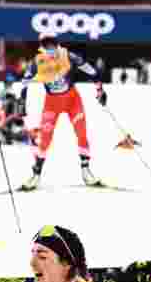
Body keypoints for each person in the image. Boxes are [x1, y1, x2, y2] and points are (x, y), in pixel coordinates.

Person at [20, 33, 106, 191]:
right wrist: (22, 101)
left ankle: (86, 170)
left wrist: (100, 89)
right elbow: (25, 82)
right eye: (46, 45)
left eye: (52, 44)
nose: (49, 48)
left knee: (81, 132)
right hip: (52, 103)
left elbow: (89, 70)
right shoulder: (37, 61)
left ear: (57, 44)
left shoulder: (67, 55)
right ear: (42, 46)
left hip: (73, 99)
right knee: (45, 138)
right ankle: (36, 174)